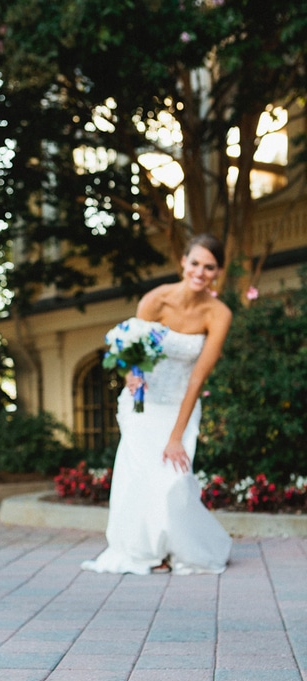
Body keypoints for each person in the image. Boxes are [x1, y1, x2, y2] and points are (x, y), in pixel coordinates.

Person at [81, 233, 233, 576]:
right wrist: (130, 379)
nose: (200, 272)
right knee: (141, 477)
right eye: (195, 263)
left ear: (218, 272)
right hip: (142, 405)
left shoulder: (219, 314)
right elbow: (135, 357)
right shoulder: (155, 301)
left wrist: (176, 436)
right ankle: (148, 552)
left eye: (209, 267)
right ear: (183, 262)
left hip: (181, 405)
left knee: (173, 480)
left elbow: (197, 379)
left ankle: (177, 546)